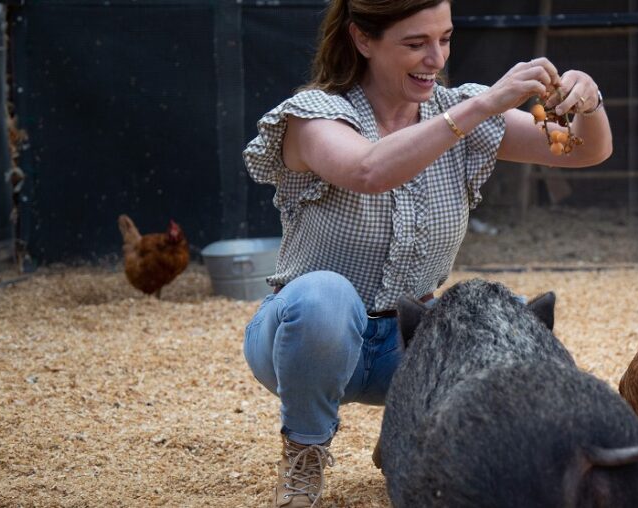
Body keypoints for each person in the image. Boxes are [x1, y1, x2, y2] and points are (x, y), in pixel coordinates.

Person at [241, 1, 611, 506]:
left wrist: (588, 100)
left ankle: (405, 431)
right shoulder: (316, 117)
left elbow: (585, 150)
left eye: (445, 38)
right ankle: (304, 451)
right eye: (415, 44)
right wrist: (482, 106)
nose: (435, 58)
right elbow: (370, 171)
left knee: (505, 320)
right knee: (326, 297)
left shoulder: (458, 112)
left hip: (410, 346)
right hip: (303, 339)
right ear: (363, 40)